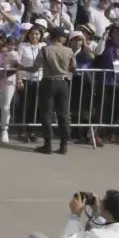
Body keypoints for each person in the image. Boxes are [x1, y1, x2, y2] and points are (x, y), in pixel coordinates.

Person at [36, 27, 74, 155]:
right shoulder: (69, 51)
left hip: (48, 81)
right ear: (60, 38)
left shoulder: (45, 50)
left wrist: (21, 67)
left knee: (47, 113)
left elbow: (35, 67)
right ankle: (64, 145)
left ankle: (48, 145)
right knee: (63, 114)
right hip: (63, 82)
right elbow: (74, 68)